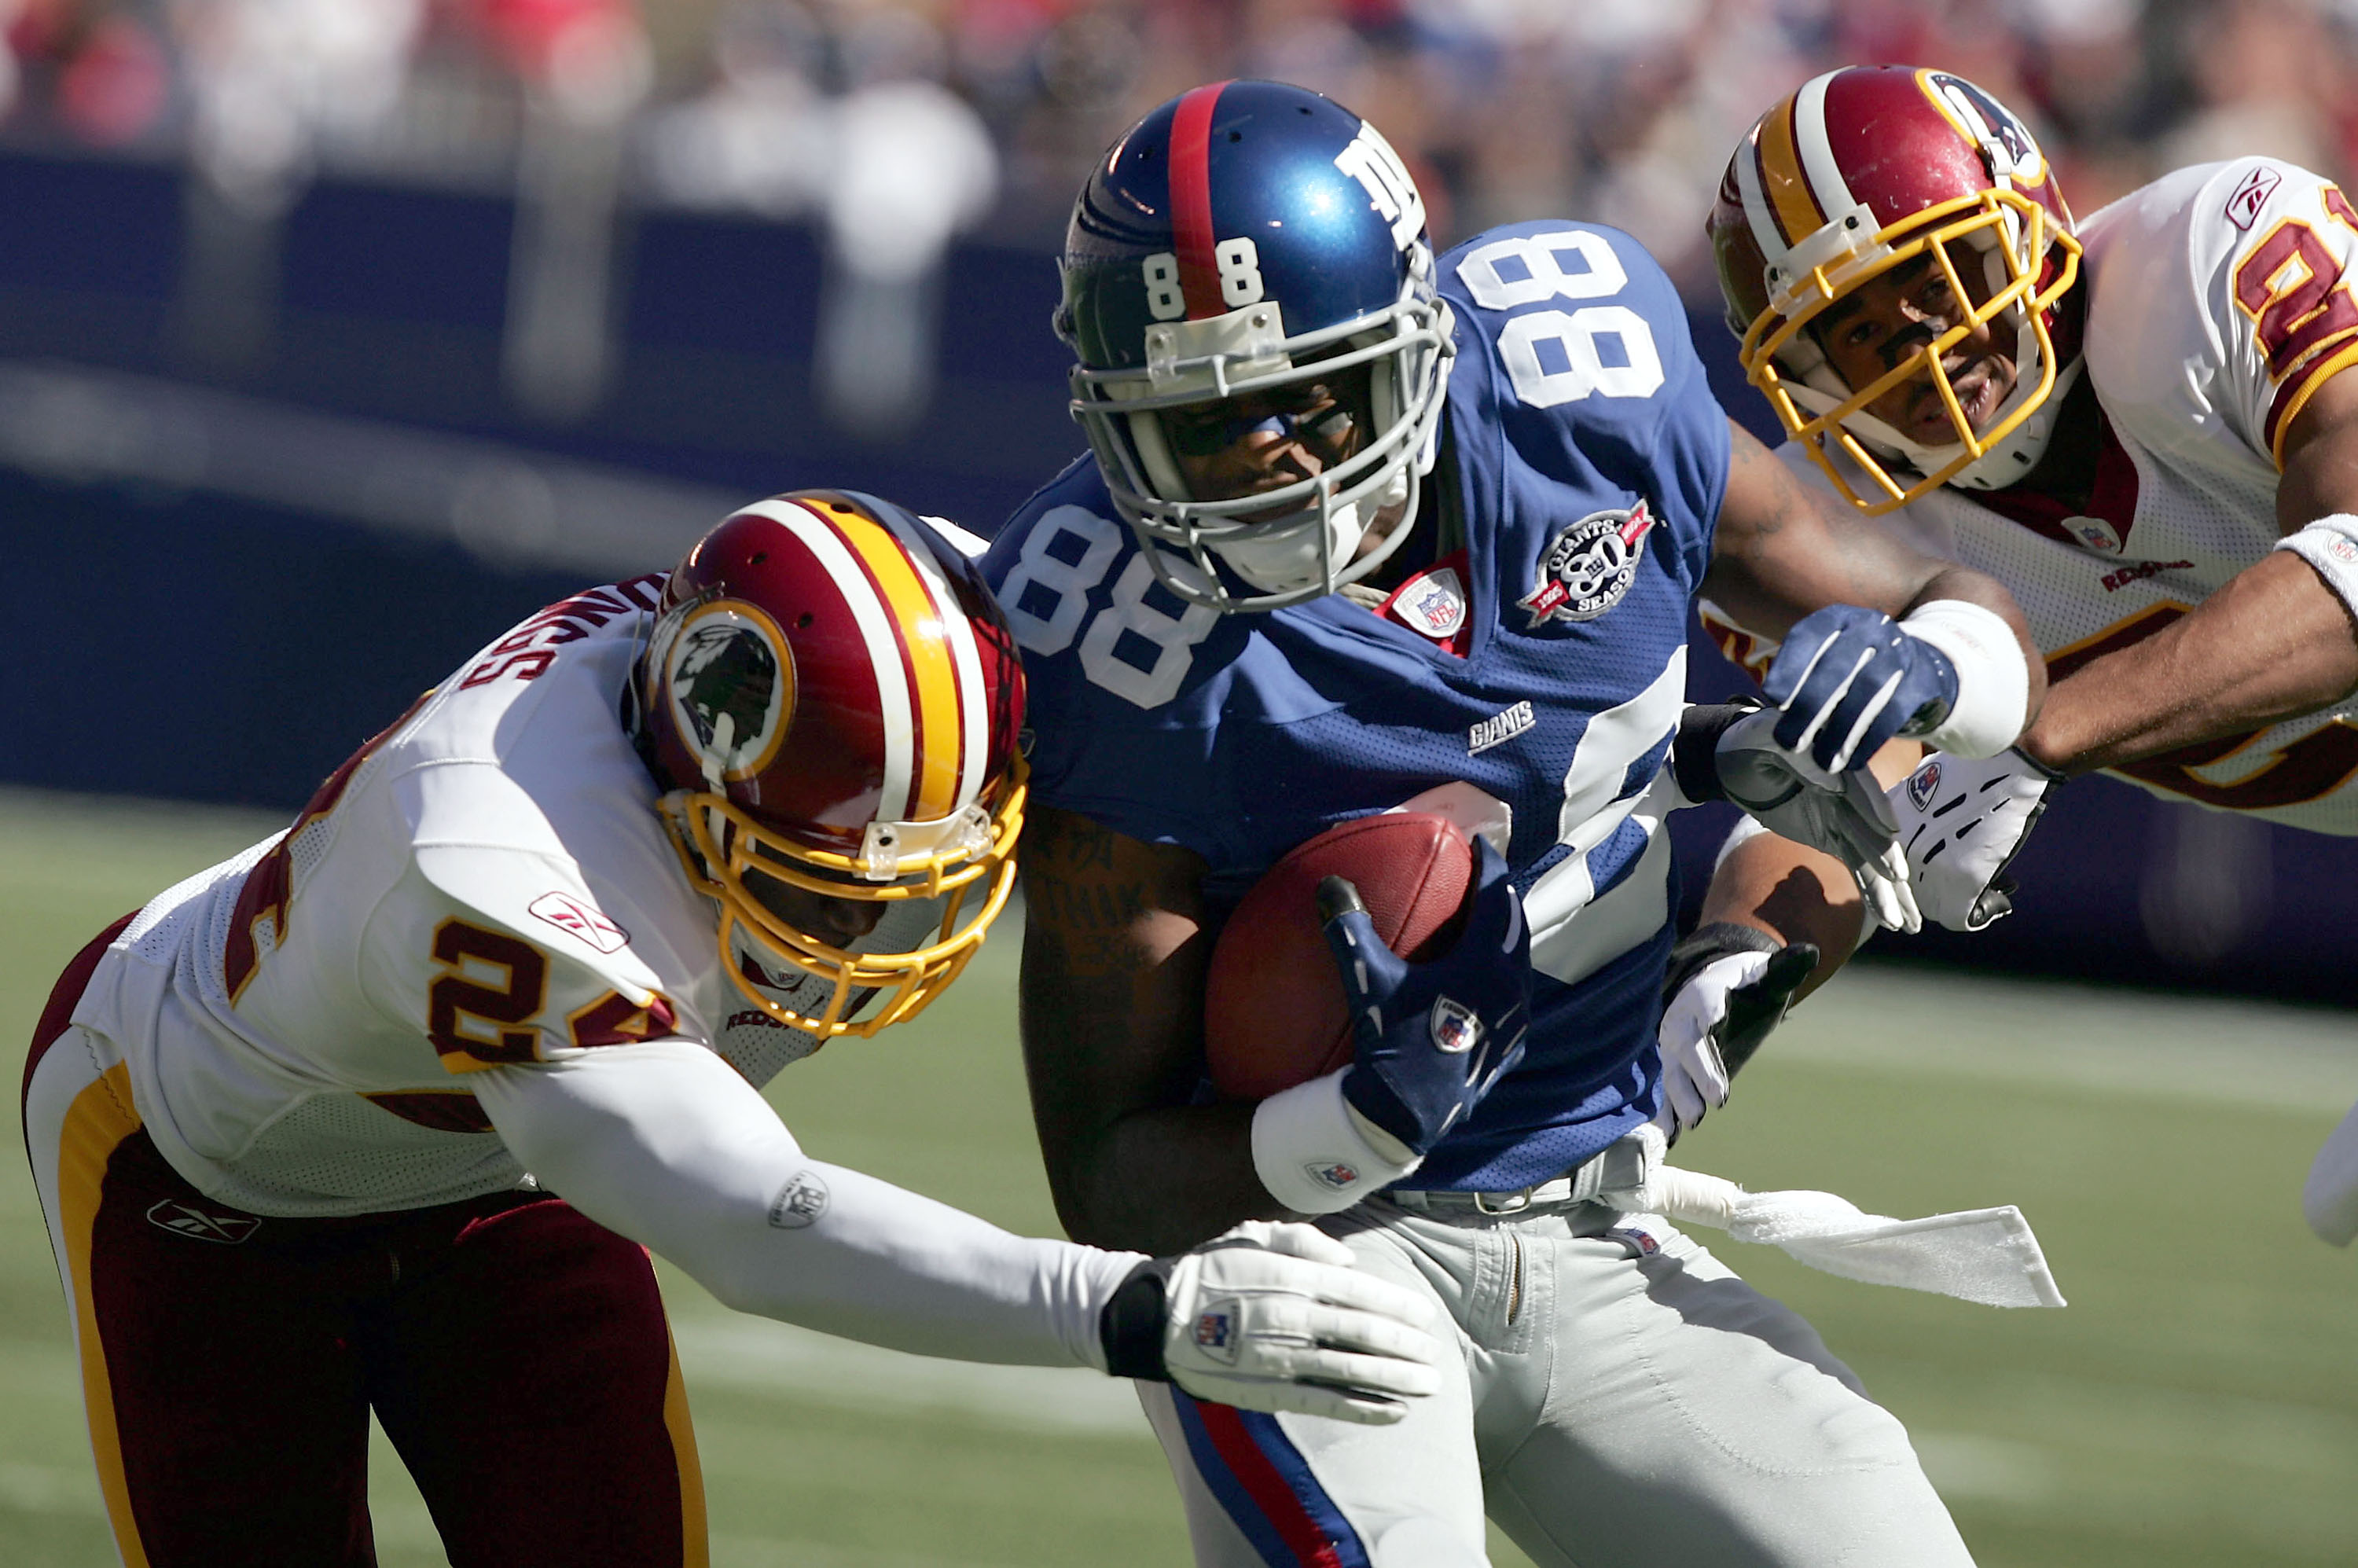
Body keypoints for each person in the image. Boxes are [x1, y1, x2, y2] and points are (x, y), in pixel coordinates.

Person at [982, 79, 2052, 1568]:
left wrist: (1932, 665)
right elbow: (1111, 1177)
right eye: (1200, 426)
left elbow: (1963, 611)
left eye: (1306, 398)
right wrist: (1348, 1125)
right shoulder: (1114, 633)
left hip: (1596, 1216)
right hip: (1302, 1259)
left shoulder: (1583, 396)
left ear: (1420, 343)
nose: (1265, 460)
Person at [20, 488, 1451, 1568]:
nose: (869, 937)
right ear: (686, 796)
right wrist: (1133, 1310)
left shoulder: (924, 615)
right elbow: (761, 1226)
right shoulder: (495, 863)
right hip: (203, 1168)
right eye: (826, 893)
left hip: (507, 1160)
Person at [1693, 64, 2358, 1242]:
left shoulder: (2215, 260)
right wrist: (1715, 991)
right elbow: (1844, 808)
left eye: (1937, 280)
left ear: (2030, 227)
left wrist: (2048, 738)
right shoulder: (1835, 529)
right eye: (1853, 327)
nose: (1921, 344)